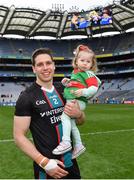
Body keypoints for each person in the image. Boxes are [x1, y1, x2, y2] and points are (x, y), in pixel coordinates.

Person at [13, 48, 85, 179]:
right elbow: (18, 136)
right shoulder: (26, 97)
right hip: (47, 168)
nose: (45, 68)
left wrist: (78, 114)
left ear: (54, 65)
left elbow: (81, 121)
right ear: (34, 69)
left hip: (71, 163)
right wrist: (44, 162)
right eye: (40, 64)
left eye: (48, 63)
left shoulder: (65, 89)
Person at [52, 44, 101, 159]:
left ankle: (66, 142)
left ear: (92, 64)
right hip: (73, 99)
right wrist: (67, 82)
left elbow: (94, 88)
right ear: (76, 61)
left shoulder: (89, 74)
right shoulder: (76, 73)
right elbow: (74, 84)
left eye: (88, 61)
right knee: (72, 124)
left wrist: (83, 92)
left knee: (64, 118)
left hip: (77, 100)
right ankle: (78, 145)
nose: (85, 63)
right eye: (82, 60)